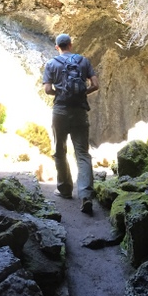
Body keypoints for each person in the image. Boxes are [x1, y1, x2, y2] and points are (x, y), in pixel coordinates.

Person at [43, 33, 99, 214]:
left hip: (60, 111)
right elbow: (95, 84)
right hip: (79, 112)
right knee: (82, 153)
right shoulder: (83, 61)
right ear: (71, 45)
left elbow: (47, 89)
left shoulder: (51, 64)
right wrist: (82, 93)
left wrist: (61, 93)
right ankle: (86, 196)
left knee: (60, 150)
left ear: (57, 47)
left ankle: (65, 190)